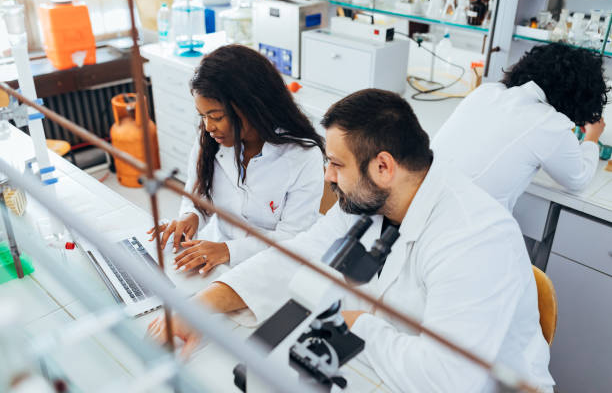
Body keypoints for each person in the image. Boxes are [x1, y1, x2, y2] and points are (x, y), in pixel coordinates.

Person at [147, 89, 555, 392]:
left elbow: (447, 378)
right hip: (387, 370)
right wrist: (198, 309)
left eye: (336, 164)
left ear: (383, 166)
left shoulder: (475, 239)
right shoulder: (373, 201)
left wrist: (360, 326)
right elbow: (300, 256)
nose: (327, 176)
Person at [148, 45, 325, 275]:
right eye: (203, 116)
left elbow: (292, 238)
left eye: (217, 117)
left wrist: (228, 250)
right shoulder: (212, 141)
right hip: (216, 258)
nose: (209, 127)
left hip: (274, 268)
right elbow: (198, 194)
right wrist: (191, 215)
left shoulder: (302, 155)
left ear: (252, 106)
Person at [432, 43, 608, 211]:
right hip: (461, 223)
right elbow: (578, 180)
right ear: (579, 96)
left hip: (423, 201)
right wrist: (592, 137)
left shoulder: (487, 91)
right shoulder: (549, 123)